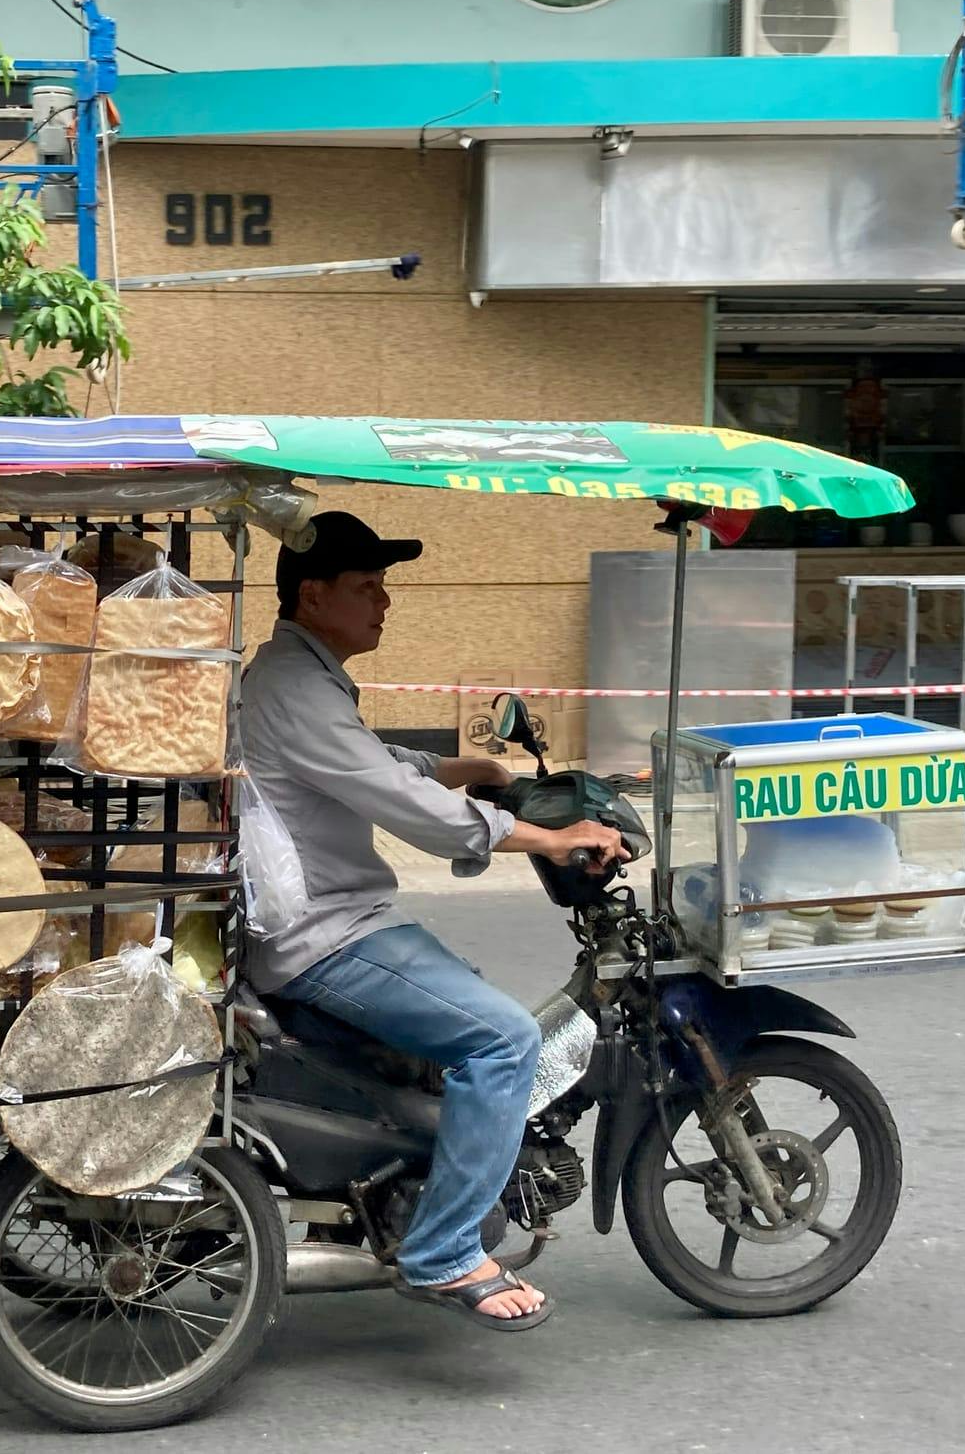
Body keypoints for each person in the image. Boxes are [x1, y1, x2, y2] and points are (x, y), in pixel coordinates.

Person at [239, 512, 627, 1331]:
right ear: (313, 595)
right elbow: (397, 802)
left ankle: (408, 1188)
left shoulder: (303, 677)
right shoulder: (296, 685)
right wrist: (550, 836)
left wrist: (464, 770)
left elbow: (371, 763)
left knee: (466, 1014)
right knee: (503, 1039)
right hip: (324, 935)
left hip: (338, 919)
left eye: (385, 587)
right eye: (366, 588)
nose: (385, 603)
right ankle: (445, 1252)